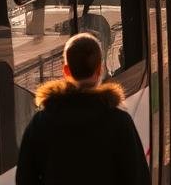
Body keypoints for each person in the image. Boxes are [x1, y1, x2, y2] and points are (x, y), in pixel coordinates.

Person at [16, 33, 150, 185]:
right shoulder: (119, 122)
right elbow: (138, 178)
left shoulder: (41, 124)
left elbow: (25, 178)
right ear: (100, 69)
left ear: (66, 71)